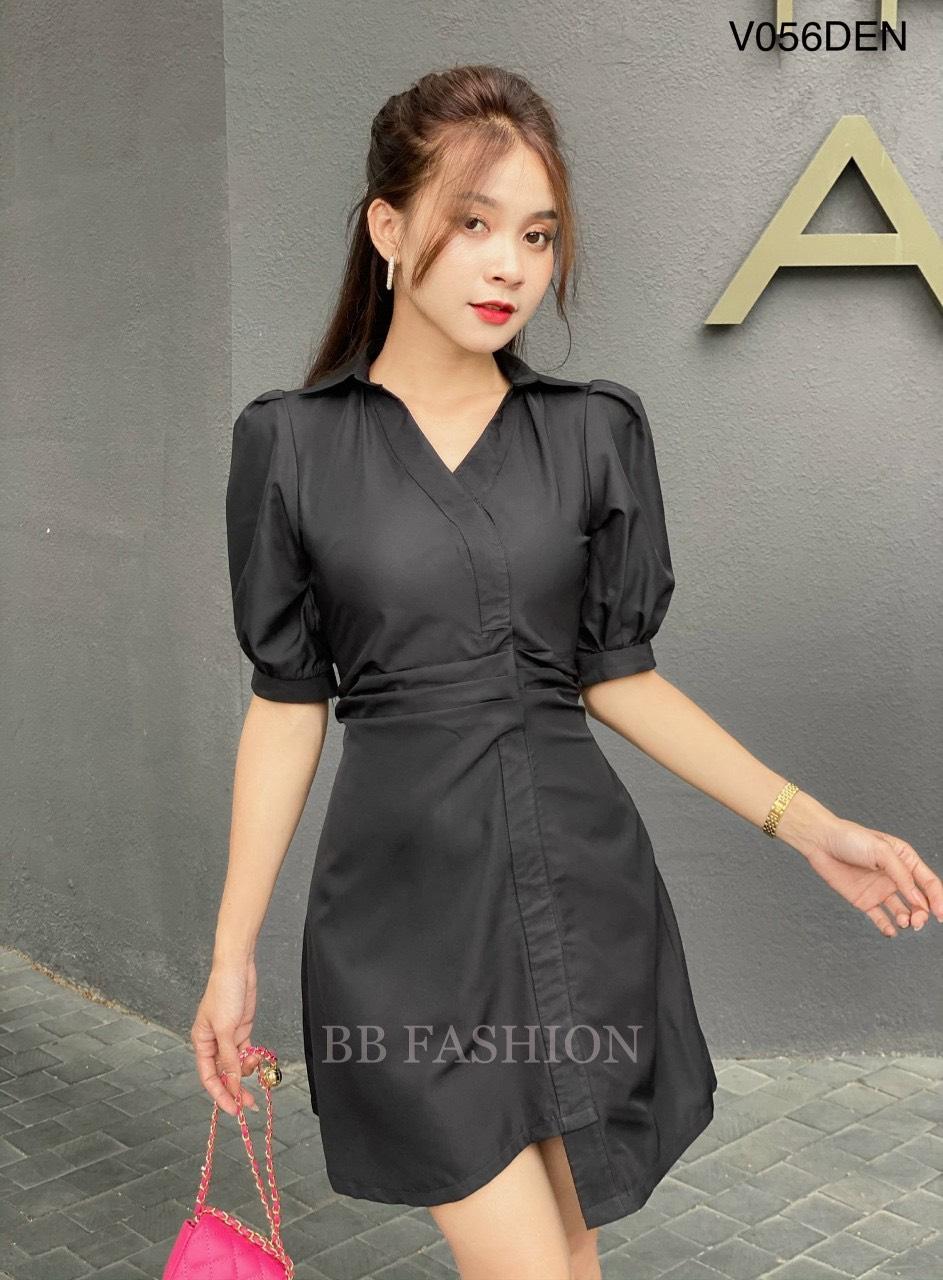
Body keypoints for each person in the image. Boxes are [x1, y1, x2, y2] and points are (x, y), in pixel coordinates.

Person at [190, 64, 943, 1280]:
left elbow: (618, 677)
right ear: (388, 227)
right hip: (401, 924)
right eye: (473, 223)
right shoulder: (290, 444)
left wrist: (812, 827)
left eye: (536, 236)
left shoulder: (593, 431)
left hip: (576, 901)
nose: (509, 265)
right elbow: (286, 706)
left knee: (567, 1261)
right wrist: (231, 954)